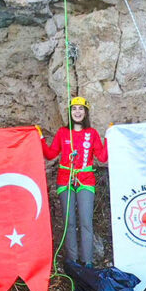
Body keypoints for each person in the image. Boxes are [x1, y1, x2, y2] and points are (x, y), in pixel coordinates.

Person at [40, 96, 108, 268]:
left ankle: (87, 262)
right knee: (69, 222)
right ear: (70, 112)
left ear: (85, 112)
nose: (77, 112)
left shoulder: (91, 133)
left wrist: (108, 137)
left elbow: (102, 156)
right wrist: (40, 138)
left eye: (81, 109)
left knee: (86, 222)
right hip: (65, 179)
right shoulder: (63, 133)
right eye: (74, 109)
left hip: (86, 180)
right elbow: (50, 154)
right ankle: (72, 261)